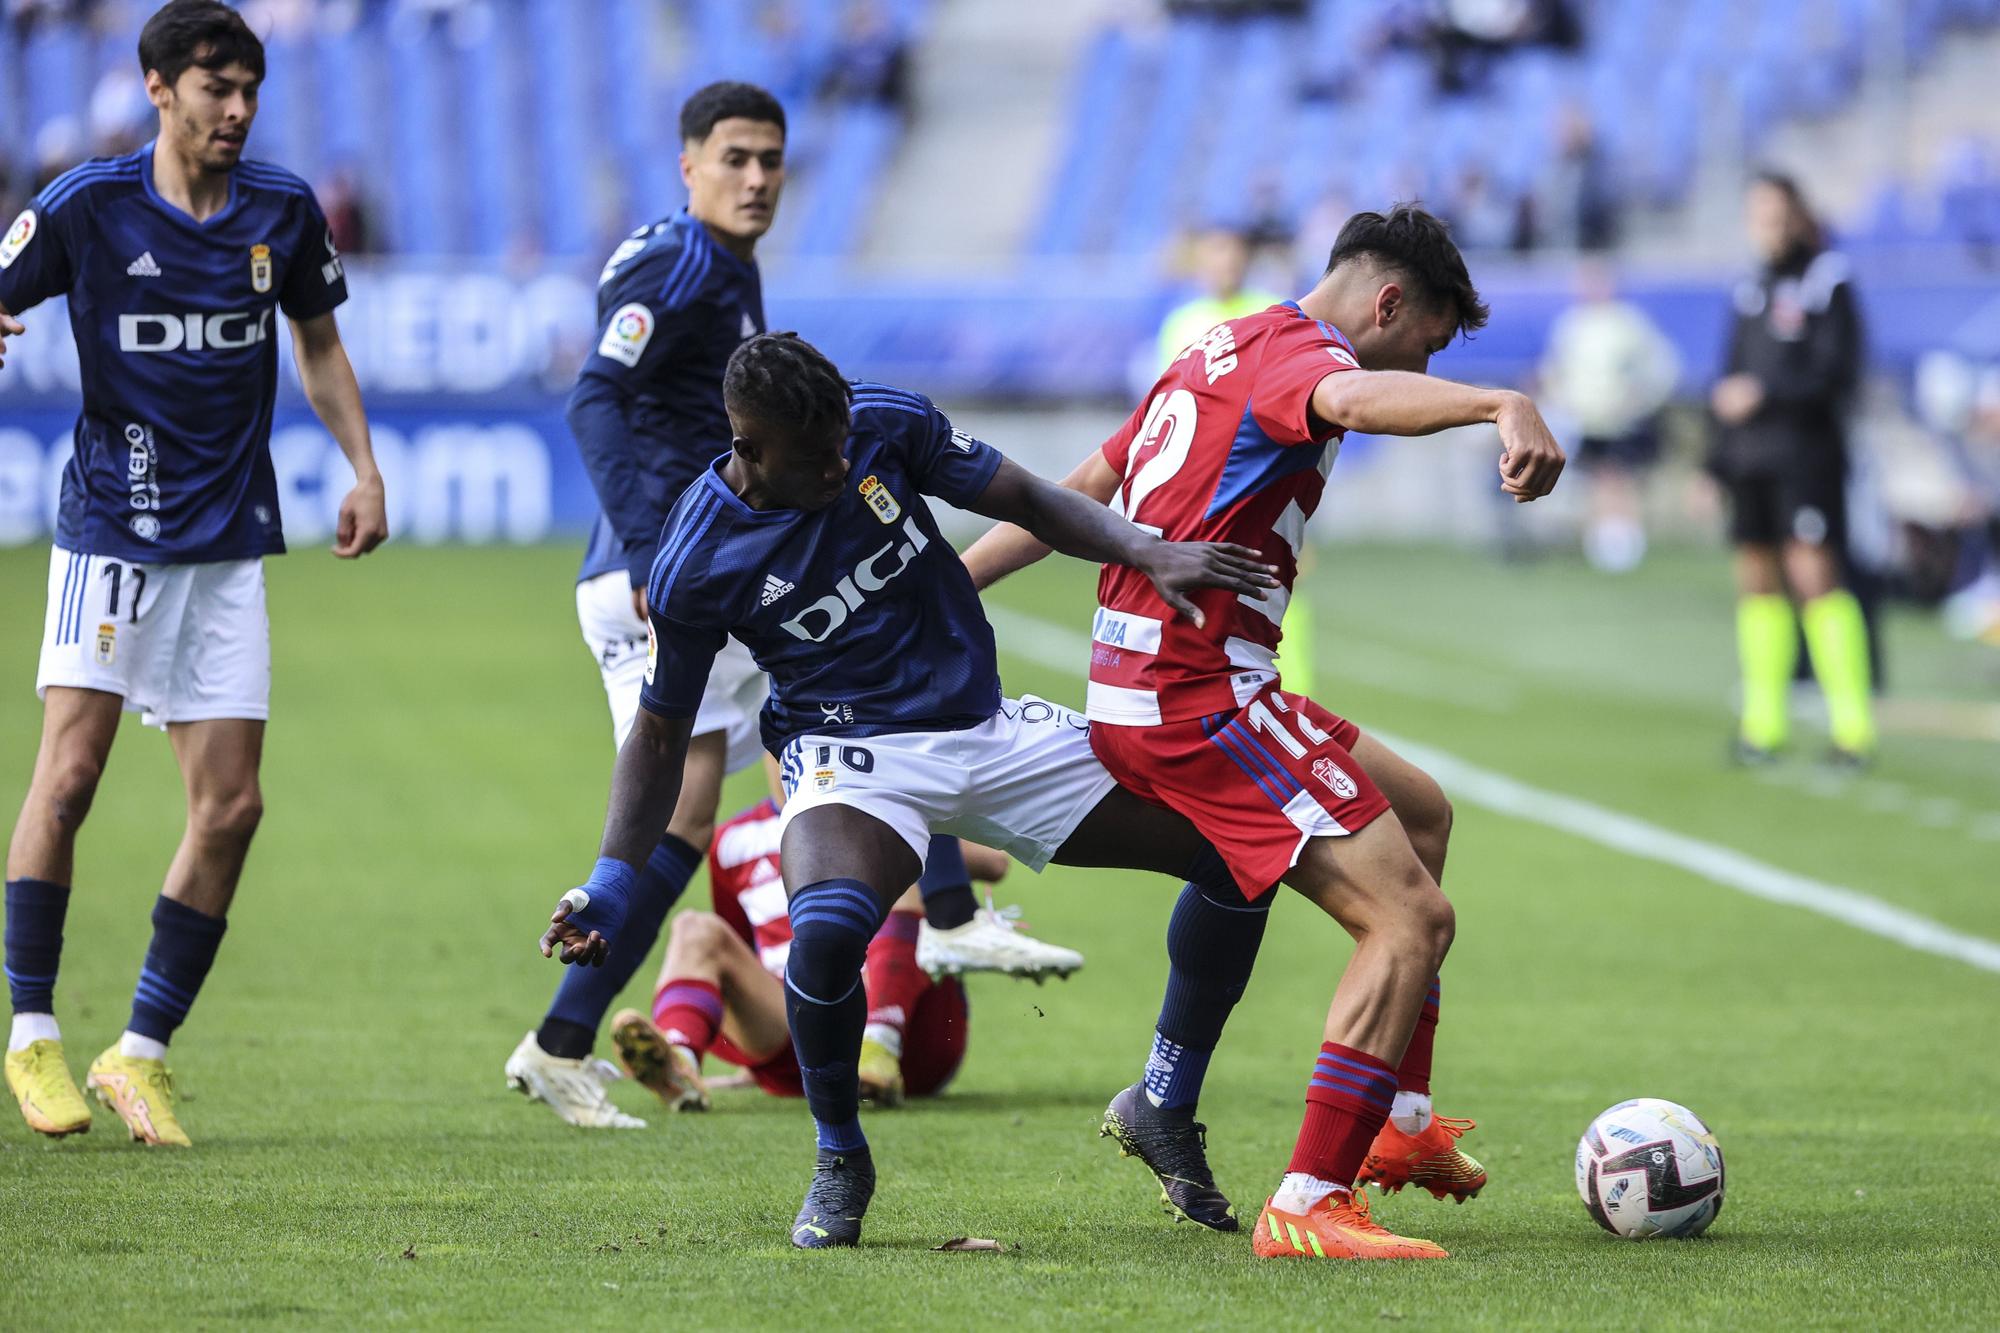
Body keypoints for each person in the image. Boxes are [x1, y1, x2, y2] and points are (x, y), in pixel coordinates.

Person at [537, 331, 1283, 1249]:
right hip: (850, 755)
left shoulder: (881, 422)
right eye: (819, 458)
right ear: (750, 446)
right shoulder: (694, 556)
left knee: (1239, 850)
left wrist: (1144, 548)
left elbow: (1026, 498)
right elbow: (661, 728)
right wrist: (614, 877)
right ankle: (840, 1156)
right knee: (823, 939)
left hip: (985, 726)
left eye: (845, 440)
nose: (842, 463)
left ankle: (1164, 1100)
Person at [962, 205, 1566, 1260]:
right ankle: (1308, 1198)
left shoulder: (1220, 340)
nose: (1422, 361)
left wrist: (952, 582)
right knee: (1408, 921)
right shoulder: (1305, 356)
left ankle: (1400, 1126)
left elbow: (1086, 489)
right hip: (1197, 700)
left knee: (1421, 812)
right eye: (1425, 340)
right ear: (1386, 303)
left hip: (1169, 679)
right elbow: (1351, 396)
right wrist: (1496, 401)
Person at [506, 83, 1079, 1131]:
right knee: (847, 693)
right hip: (666, 575)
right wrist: (644, 543)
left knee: (707, 800)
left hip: (694, 571)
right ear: (687, 165)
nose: (757, 178)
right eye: (735, 158)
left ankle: (559, 1039)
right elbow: (595, 391)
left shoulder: (726, 266)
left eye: (772, 159)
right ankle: (944, 916)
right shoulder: (678, 260)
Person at [0, 0, 386, 1146]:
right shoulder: (88, 206)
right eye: (214, 88)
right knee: (69, 780)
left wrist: (360, 465)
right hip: (113, 534)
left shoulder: (283, 212)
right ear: (159, 89)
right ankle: (30, 1036)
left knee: (230, 807)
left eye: (249, 90)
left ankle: (140, 1052)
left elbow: (317, 346)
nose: (236, 109)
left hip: (227, 549)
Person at [608, 775, 1007, 1114]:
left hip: (915, 1043)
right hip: (799, 1039)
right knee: (694, 928)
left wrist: (908, 834)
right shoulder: (734, 841)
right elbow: (737, 956)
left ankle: (878, 1043)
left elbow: (995, 861)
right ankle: (679, 1061)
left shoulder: (880, 806)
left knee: (899, 877)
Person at [1709, 172, 1873, 765]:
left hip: (1806, 455)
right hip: (1750, 458)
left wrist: (1766, 391)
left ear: (1798, 214)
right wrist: (1715, 459)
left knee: (1815, 579)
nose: (1766, 226)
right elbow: (1727, 373)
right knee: (1757, 582)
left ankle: (1853, 730)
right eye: (1757, 214)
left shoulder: (1827, 280)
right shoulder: (1749, 285)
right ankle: (1763, 727)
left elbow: (1838, 370)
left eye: (1775, 213)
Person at [1538, 260, 1680, 572]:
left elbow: (1659, 366)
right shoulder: (1571, 324)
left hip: (1621, 419)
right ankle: (1602, 543)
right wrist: (1560, 401)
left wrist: (1638, 399)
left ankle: (1627, 542)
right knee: (1596, 478)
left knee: (1621, 477)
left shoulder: (1628, 323)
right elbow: (1557, 369)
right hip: (1587, 418)